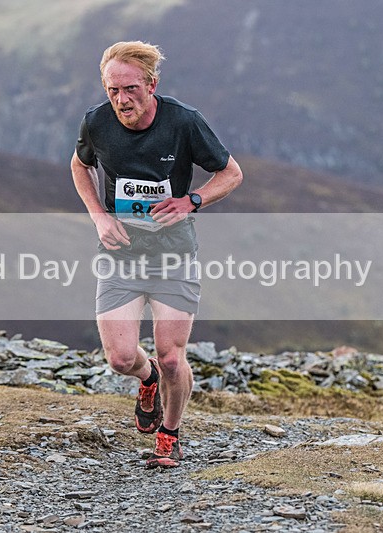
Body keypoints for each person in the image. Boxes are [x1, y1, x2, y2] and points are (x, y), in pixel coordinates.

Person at [70, 41, 242, 468]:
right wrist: (99, 217)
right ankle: (145, 381)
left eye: (130, 89)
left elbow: (231, 173)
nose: (121, 100)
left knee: (170, 355)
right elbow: (79, 165)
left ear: (151, 84)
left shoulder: (183, 122)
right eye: (112, 90)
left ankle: (170, 433)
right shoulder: (97, 122)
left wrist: (193, 201)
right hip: (121, 255)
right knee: (121, 359)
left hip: (174, 255)